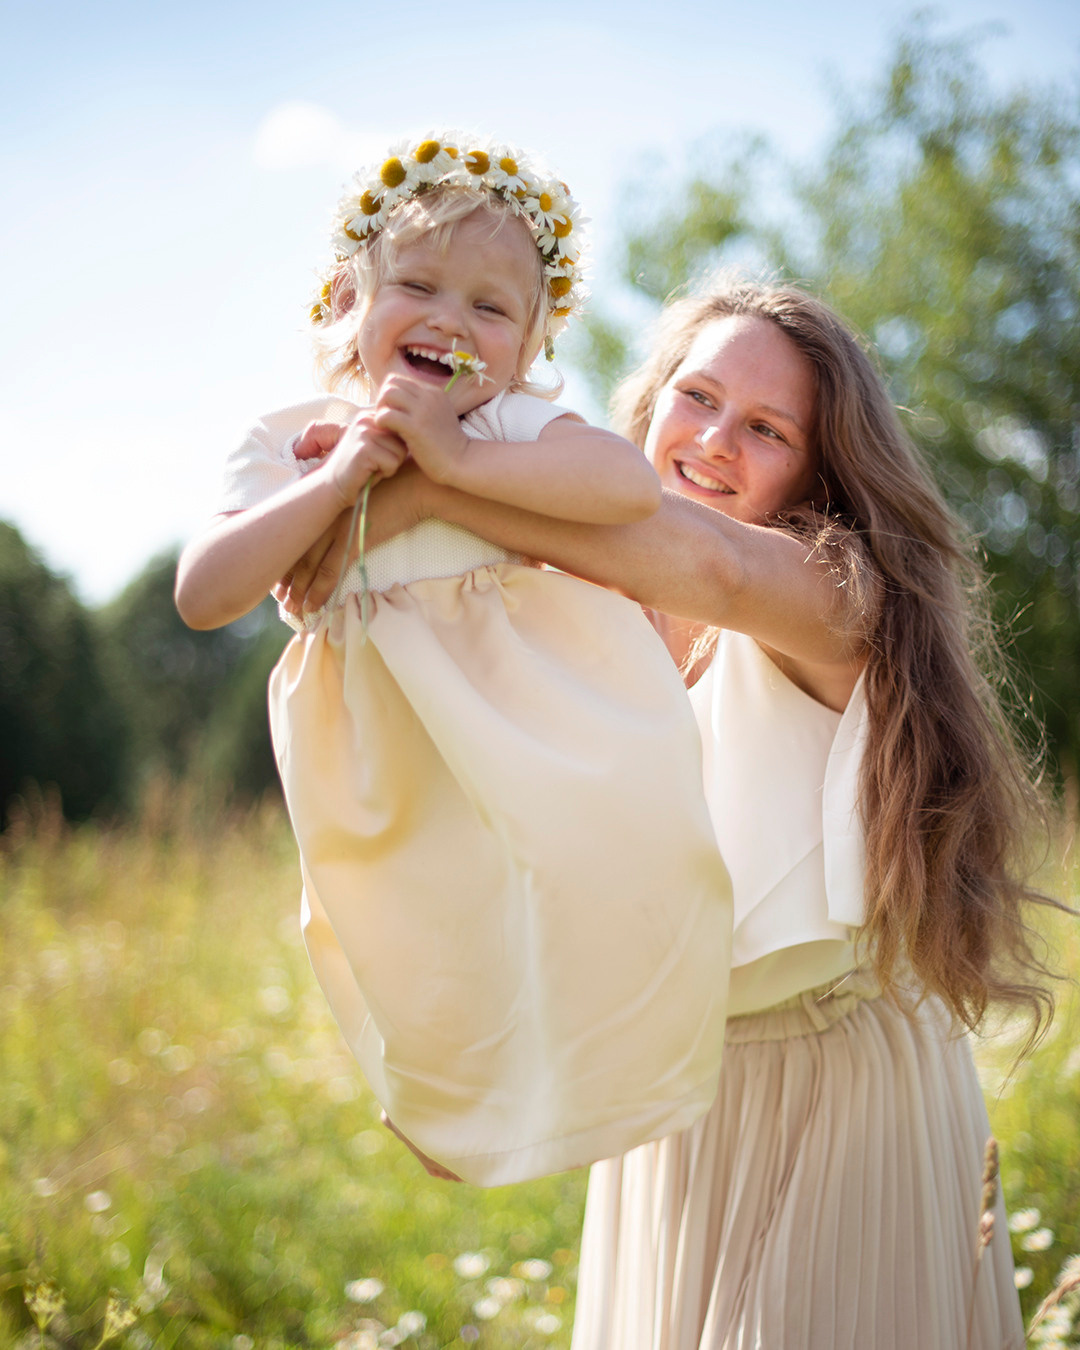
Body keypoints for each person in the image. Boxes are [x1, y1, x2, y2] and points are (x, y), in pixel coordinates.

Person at [287, 274, 1053, 1347]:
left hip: (842, 1100)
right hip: (681, 1104)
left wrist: (428, 489)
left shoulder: (839, 592)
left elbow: (712, 566)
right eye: (697, 398)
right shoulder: (576, 621)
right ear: (649, 405)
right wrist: (451, 1071)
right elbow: (522, 862)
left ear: (819, 472)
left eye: (767, 428)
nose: (715, 442)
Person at [174, 134, 733, 1190]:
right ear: (349, 296)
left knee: (612, 878)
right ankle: (457, 1116)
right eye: (419, 285)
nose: (450, 320)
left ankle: (630, 1075)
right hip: (391, 757)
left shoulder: (510, 423)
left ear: (527, 345)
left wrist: (462, 459)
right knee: (418, 945)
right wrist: (344, 478)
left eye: (491, 308)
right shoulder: (293, 440)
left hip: (541, 723)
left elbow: (623, 486)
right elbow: (207, 595)